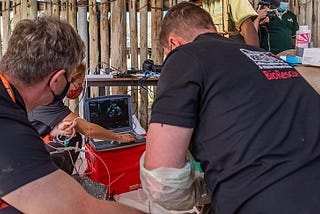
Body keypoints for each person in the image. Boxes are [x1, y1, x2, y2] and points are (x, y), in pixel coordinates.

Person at [140, 2, 320, 214]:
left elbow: (162, 181)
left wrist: (204, 189)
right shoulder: (267, 57)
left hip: (265, 201)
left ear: (173, 43)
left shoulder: (185, 55)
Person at [0, 16, 142, 213]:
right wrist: (118, 137)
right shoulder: (11, 131)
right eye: (71, 78)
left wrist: (57, 130)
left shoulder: (9, 103)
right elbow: (81, 209)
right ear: (57, 79)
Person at [28, 63, 137, 175]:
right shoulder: (48, 101)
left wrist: (56, 130)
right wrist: (118, 137)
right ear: (66, 80)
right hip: (29, 151)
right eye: (78, 84)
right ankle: (56, 178)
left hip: (35, 139)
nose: (78, 88)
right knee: (72, 140)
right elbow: (88, 129)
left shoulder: (46, 92)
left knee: (72, 135)